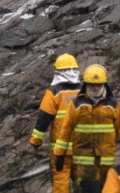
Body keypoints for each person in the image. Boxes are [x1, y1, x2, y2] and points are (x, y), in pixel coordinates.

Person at [56, 64, 120, 193]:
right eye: (91, 85)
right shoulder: (77, 104)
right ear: (86, 84)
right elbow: (66, 129)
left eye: (98, 85)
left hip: (106, 159)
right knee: (90, 189)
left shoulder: (113, 105)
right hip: (84, 159)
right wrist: (59, 153)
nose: (95, 88)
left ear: (104, 85)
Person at [33, 54, 86, 193]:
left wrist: (36, 140)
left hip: (60, 149)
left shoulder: (54, 92)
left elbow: (44, 118)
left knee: (61, 180)